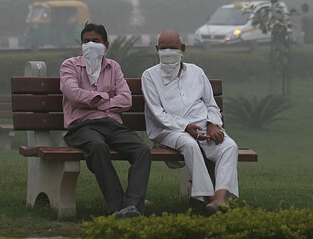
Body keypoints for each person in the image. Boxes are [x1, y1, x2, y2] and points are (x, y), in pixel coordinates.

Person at [141, 30, 239, 213]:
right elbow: (157, 113)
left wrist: (212, 125)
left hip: (202, 126)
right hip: (169, 130)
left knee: (229, 146)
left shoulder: (197, 72)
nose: (168, 52)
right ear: (157, 49)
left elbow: (211, 105)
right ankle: (208, 198)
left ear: (183, 48)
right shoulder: (149, 76)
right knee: (189, 145)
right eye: (164, 48)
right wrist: (185, 127)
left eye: (173, 48)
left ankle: (220, 198)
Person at [60, 22, 151, 218]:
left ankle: (132, 205)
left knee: (142, 150)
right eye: (86, 41)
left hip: (112, 125)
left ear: (106, 44)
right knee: (98, 147)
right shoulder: (70, 65)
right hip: (82, 127)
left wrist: (93, 100)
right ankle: (117, 207)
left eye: (95, 41)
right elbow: (73, 93)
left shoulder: (113, 67)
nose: (90, 45)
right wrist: (106, 96)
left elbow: (126, 99)